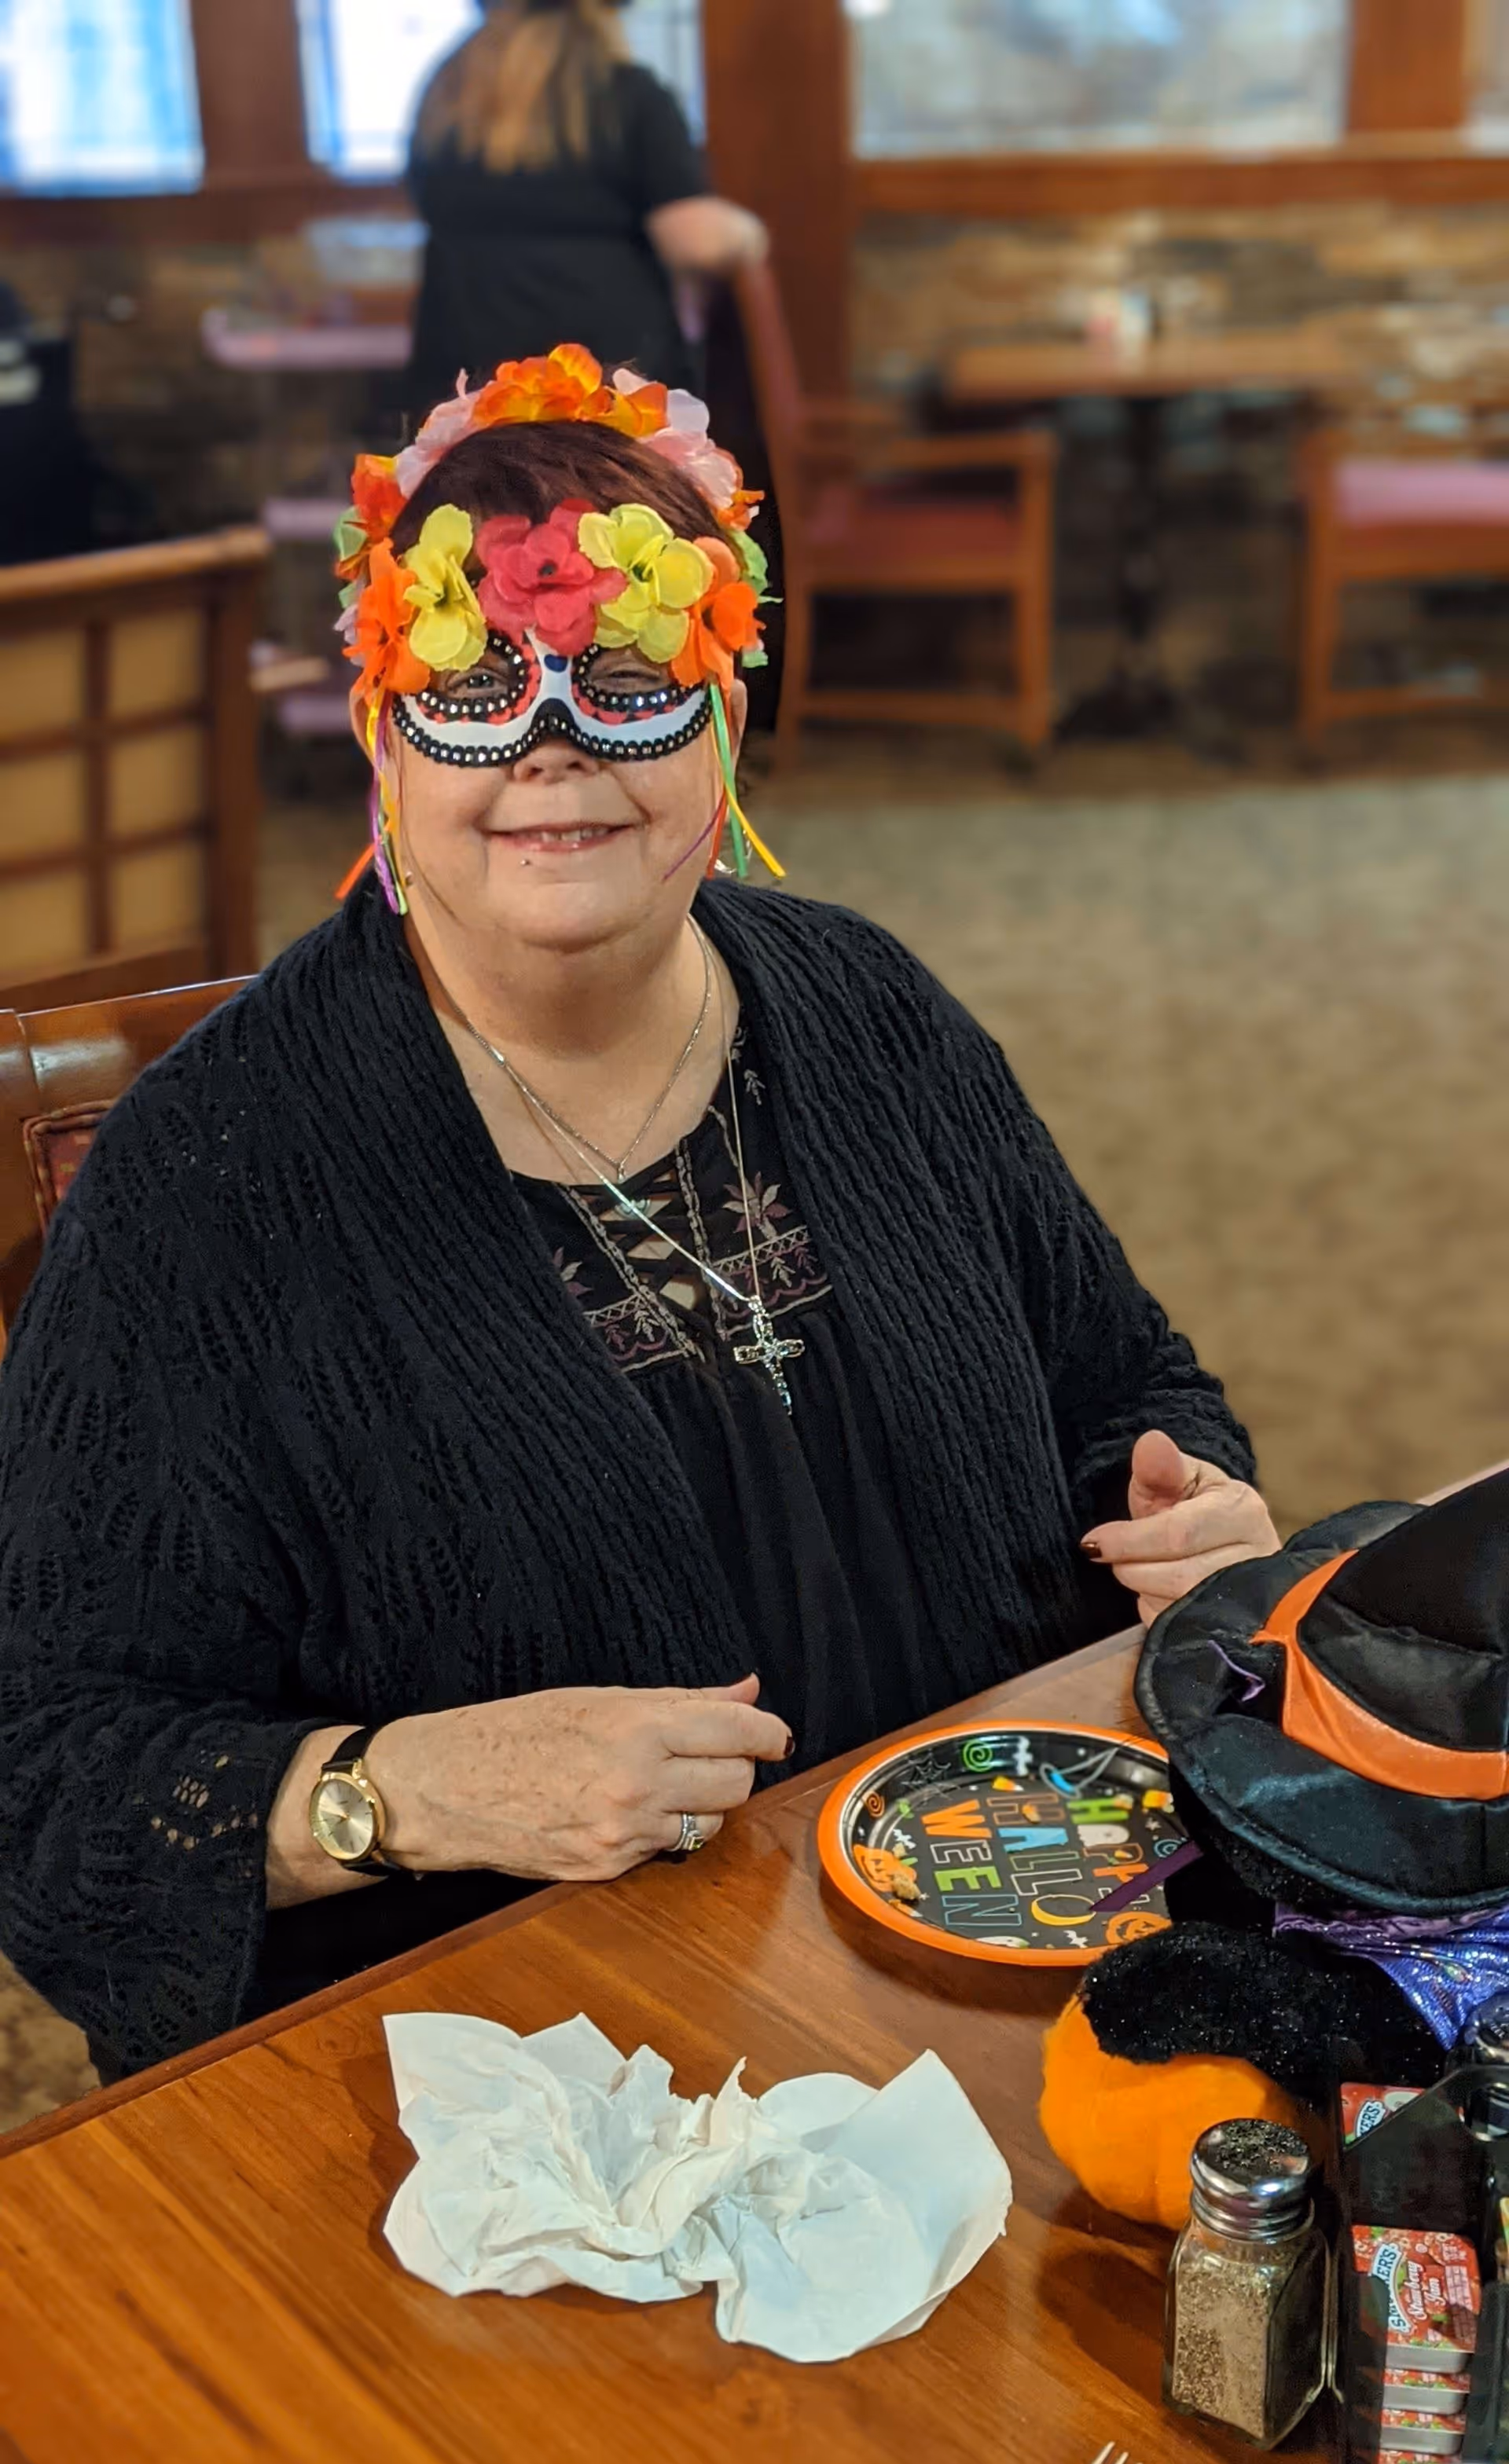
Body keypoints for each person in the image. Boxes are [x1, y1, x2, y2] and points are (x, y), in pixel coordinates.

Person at [0, 343, 1280, 2084]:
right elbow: (49, 1764)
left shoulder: (869, 1004)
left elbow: (1125, 1377)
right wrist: (393, 1789)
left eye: (624, 679)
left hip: (988, 1949)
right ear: (385, 726)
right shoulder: (201, 1188)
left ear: (724, 714)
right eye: (475, 688)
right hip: (552, 2078)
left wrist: (1186, 1510)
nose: (551, 748)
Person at [406, 0, 765, 410]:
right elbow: (695, 240)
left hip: (467, 390)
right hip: (601, 391)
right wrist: (750, 232)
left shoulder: (444, 101)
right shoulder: (625, 96)